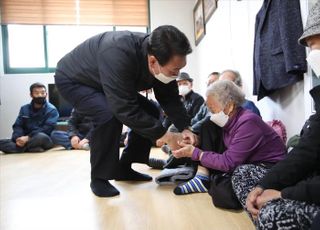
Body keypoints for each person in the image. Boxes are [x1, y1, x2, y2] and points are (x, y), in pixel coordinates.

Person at [54, 25, 197, 197]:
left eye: (180, 68)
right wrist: (166, 136)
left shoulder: (159, 56)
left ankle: (124, 167)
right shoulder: (117, 52)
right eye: (174, 70)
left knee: (150, 110)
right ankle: (99, 178)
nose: (178, 74)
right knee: (108, 115)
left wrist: (185, 127)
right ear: (152, 61)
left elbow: (170, 98)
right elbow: (123, 108)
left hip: (103, 80)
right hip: (75, 80)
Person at [231, 2, 320, 229]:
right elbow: (308, 150)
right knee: (245, 178)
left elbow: (230, 158)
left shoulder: (247, 116)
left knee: (272, 214)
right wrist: (264, 186)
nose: (313, 55)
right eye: (311, 48)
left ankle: (264, 217)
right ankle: (261, 212)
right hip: (311, 180)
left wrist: (284, 194)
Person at [171, 80, 286, 195]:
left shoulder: (248, 122)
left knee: (222, 192)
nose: (211, 115)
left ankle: (210, 179)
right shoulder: (229, 120)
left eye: (212, 109)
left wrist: (197, 153)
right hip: (244, 161)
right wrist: (198, 141)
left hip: (267, 167)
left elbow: (229, 162)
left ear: (230, 106)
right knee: (207, 125)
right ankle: (202, 177)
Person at [0, 82, 59, 153]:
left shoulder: (52, 110)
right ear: (31, 95)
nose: (40, 95)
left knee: (41, 137)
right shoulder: (24, 108)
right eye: (36, 93)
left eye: (42, 93)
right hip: (24, 137)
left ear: (46, 94)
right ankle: (31, 148)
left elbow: (47, 129)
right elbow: (18, 125)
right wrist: (18, 138)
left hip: (41, 138)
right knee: (1, 142)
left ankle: (19, 149)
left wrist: (28, 137)